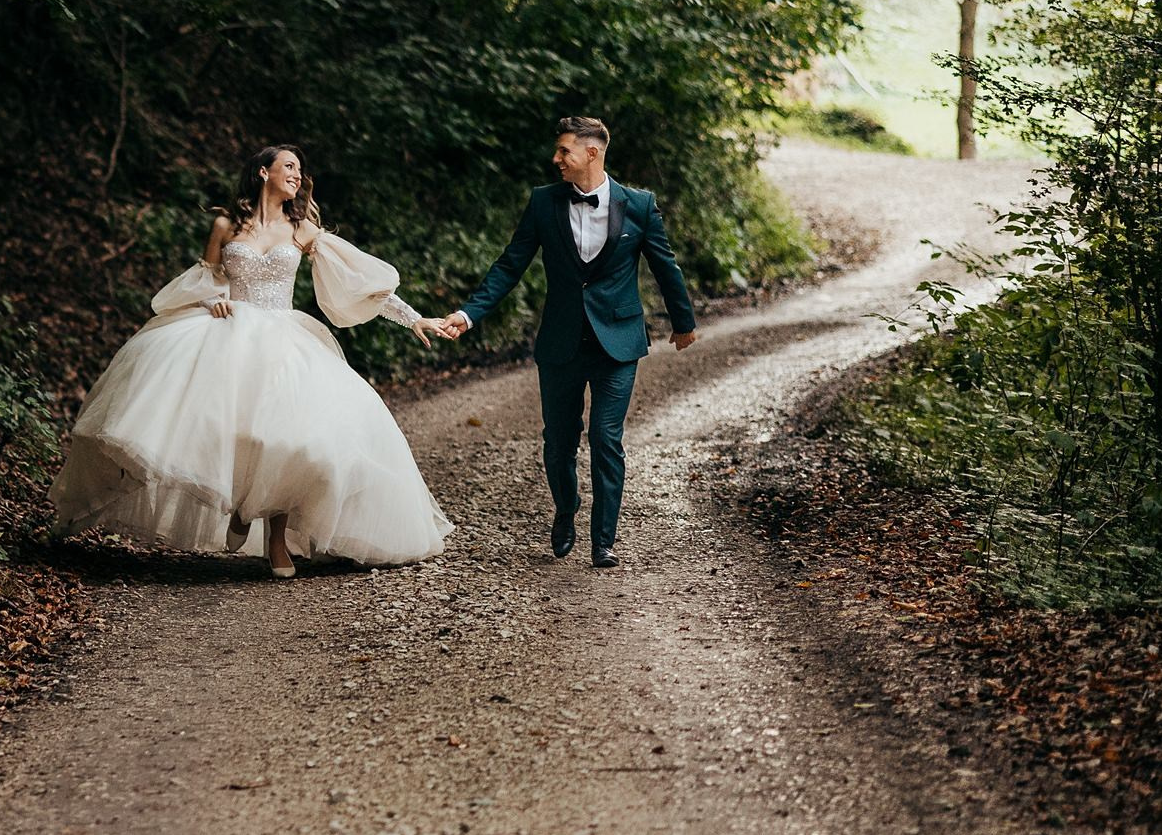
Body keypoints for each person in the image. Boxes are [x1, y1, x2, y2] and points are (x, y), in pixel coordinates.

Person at [50, 144, 456, 577]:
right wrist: (214, 301)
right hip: (229, 334)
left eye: (300, 169)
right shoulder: (226, 224)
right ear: (264, 172)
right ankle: (242, 505)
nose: (297, 175)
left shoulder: (302, 230)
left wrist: (414, 318)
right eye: (289, 167)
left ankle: (276, 541)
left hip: (285, 338)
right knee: (227, 427)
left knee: (287, 438)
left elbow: (360, 283)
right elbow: (206, 280)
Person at [438, 116, 698, 568]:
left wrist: (683, 320)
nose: (555, 159)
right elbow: (509, 265)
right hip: (560, 342)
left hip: (617, 341)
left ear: (592, 153)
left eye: (564, 151)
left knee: (605, 437)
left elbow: (664, 264)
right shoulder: (544, 203)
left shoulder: (638, 204)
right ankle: (566, 509)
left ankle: (604, 540)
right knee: (559, 442)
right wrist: (467, 314)